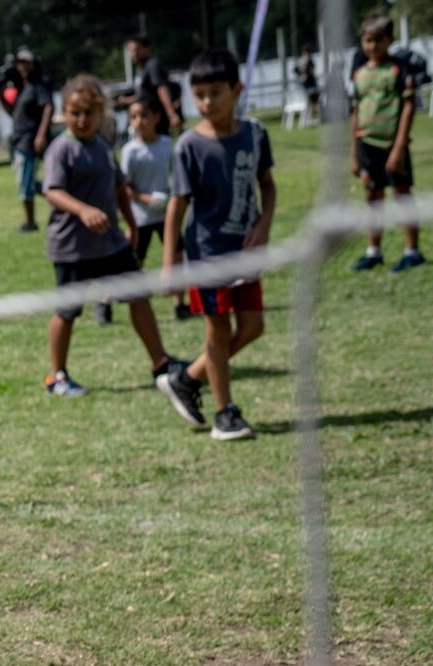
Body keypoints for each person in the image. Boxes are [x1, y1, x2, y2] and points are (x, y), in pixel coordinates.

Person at [160, 49, 278, 442]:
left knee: (253, 326)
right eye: (200, 94)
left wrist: (264, 224)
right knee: (218, 330)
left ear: (237, 90)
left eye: (216, 92)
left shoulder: (255, 134)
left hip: (245, 252)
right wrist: (169, 264)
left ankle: (187, 377)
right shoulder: (188, 147)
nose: (208, 102)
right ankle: (224, 414)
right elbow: (178, 205)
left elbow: (267, 184)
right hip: (207, 255)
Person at [40, 75, 181, 402]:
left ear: (101, 112)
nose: (81, 119)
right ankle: (57, 376)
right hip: (73, 248)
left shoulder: (103, 146)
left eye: (89, 112)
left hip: (111, 242)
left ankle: (160, 362)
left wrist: (131, 224)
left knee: (138, 295)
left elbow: (119, 188)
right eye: (75, 113)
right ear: (64, 113)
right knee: (67, 310)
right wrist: (83, 210)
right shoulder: (61, 149)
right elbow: (53, 191)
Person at [349, 15, 423, 273]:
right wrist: (354, 153)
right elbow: (355, 111)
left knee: (402, 195)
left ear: (390, 40)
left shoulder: (398, 69)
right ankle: (373, 251)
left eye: (378, 40)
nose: (372, 46)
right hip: (366, 145)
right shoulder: (358, 72)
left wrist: (399, 147)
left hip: (392, 146)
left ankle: (412, 251)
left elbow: (409, 106)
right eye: (367, 41)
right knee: (373, 197)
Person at [119, 98, 191, 320]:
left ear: (156, 117)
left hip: (166, 215)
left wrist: (172, 198)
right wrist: (145, 198)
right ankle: (108, 300)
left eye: (144, 115)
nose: (139, 121)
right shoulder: (130, 151)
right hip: (140, 218)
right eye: (133, 117)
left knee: (177, 257)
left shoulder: (167, 146)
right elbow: (125, 186)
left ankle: (180, 303)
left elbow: (178, 177)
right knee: (131, 263)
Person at [8, 47, 53, 233]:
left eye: (26, 63)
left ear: (34, 64)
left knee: (26, 184)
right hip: (18, 140)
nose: (22, 67)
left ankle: (31, 223)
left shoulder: (38, 85)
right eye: (20, 63)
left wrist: (41, 134)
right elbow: (13, 114)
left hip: (29, 140)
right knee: (26, 184)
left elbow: (48, 107)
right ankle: (61, 194)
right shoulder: (23, 88)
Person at [121, 35, 184, 137]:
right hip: (144, 120)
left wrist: (171, 114)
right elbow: (144, 95)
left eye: (136, 49)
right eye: (130, 50)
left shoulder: (152, 65)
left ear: (146, 49)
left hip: (156, 121)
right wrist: (128, 100)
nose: (132, 54)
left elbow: (162, 89)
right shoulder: (140, 69)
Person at [295, 47, 320, 123]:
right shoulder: (301, 62)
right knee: (309, 101)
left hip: (311, 84)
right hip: (306, 85)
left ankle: (311, 117)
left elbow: (312, 72)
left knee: (314, 101)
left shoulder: (310, 61)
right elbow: (296, 71)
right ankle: (309, 118)